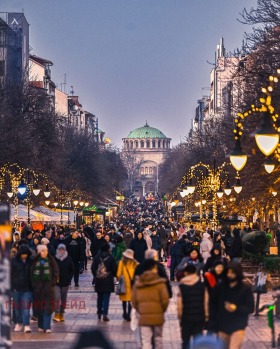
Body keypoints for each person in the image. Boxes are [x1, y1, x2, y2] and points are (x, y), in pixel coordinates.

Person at [209, 261, 254, 349]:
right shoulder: (219, 287)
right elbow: (212, 305)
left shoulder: (245, 289)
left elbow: (250, 308)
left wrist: (236, 308)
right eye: (228, 272)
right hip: (222, 325)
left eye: (232, 273)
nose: (230, 275)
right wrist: (213, 322)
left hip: (238, 325)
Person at [132, 259, 169, 349]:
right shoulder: (161, 284)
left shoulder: (138, 284)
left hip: (144, 317)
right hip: (158, 316)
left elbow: (134, 301)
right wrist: (161, 310)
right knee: (158, 339)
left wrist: (140, 310)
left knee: (145, 340)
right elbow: (165, 301)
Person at [177, 264, 209, 349]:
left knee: (186, 340)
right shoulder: (202, 286)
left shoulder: (182, 286)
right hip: (199, 316)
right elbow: (206, 302)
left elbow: (180, 305)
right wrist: (206, 316)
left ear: (186, 273)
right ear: (195, 272)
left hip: (186, 317)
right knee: (198, 340)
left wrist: (180, 316)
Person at [31, 244, 59, 333]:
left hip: (49, 289)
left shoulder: (51, 260)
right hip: (38, 290)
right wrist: (34, 285)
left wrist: (53, 282)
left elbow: (56, 271)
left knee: (48, 308)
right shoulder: (35, 261)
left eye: (46, 250)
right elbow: (31, 274)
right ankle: (40, 325)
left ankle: (47, 327)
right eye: (43, 251)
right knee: (40, 309)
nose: (45, 252)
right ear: (39, 252)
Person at [91, 244, 117, 321]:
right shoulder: (111, 258)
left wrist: (96, 276)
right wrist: (112, 275)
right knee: (106, 297)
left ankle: (99, 312)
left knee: (99, 297)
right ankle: (105, 313)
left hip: (99, 280)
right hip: (108, 280)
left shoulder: (96, 258)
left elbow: (93, 268)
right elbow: (115, 269)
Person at [11, 245, 33, 333]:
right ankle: (19, 323)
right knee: (17, 308)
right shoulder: (14, 261)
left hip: (27, 288)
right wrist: (12, 287)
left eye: (26, 254)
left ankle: (26, 325)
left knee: (25, 307)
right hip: (16, 288)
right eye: (23, 254)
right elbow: (10, 274)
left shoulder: (30, 262)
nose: (24, 256)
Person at [53, 244, 74, 322]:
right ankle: (56, 313)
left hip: (65, 282)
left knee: (63, 298)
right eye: (60, 249)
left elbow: (72, 269)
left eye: (63, 249)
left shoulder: (68, 259)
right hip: (56, 282)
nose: (61, 251)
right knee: (57, 297)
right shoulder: (55, 259)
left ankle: (61, 313)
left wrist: (69, 278)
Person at [116, 249, 139, 321]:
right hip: (132, 284)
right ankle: (129, 314)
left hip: (124, 284)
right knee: (130, 300)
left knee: (124, 300)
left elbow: (118, 274)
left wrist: (120, 278)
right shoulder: (135, 263)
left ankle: (124, 313)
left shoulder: (121, 262)